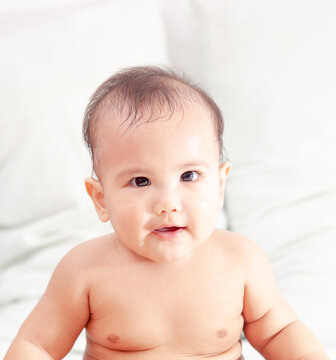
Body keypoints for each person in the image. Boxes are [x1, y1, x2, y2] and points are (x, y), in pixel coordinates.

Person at [4, 66, 329, 360]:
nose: (167, 203)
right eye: (140, 181)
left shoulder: (241, 261)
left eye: (188, 176)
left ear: (219, 185)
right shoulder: (84, 271)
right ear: (101, 199)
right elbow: (37, 346)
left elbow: (279, 332)